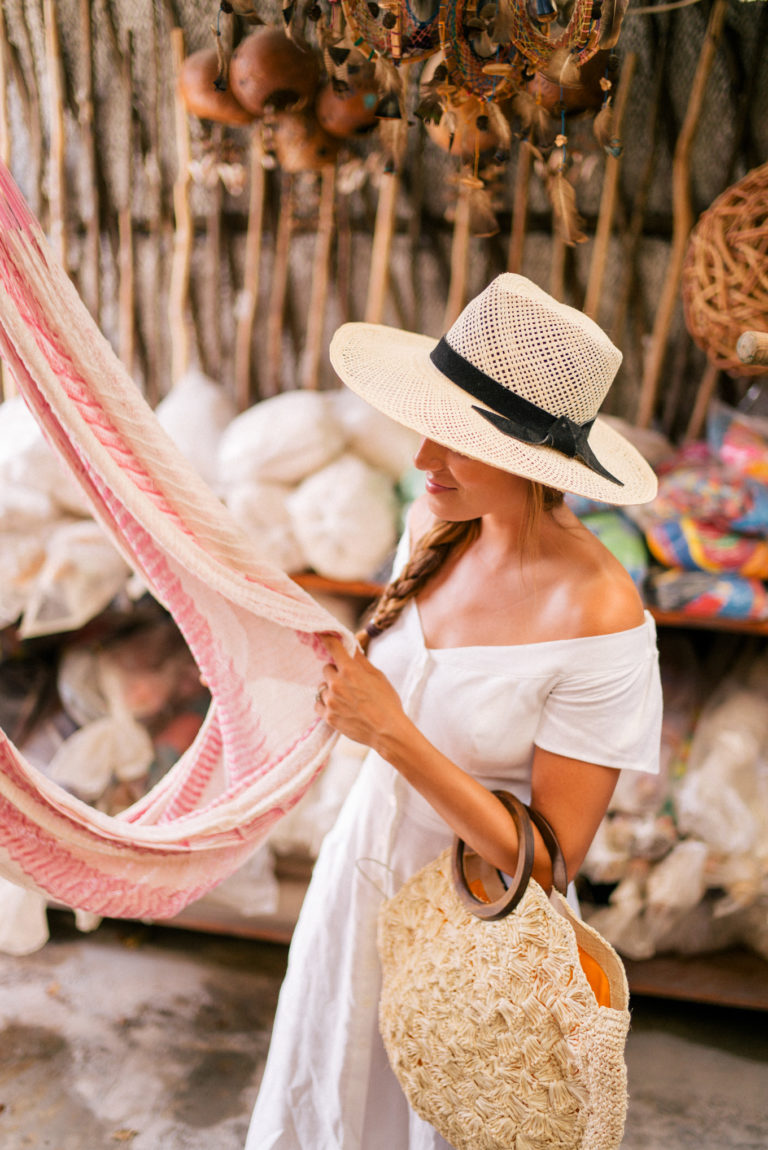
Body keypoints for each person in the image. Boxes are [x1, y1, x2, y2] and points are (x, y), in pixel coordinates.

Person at [245, 274, 663, 1150]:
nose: (421, 459)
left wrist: (392, 733)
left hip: (477, 936)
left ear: (528, 461)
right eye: (428, 424)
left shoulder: (600, 616)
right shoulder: (436, 532)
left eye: (458, 439)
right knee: (330, 1097)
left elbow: (547, 863)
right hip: (361, 883)